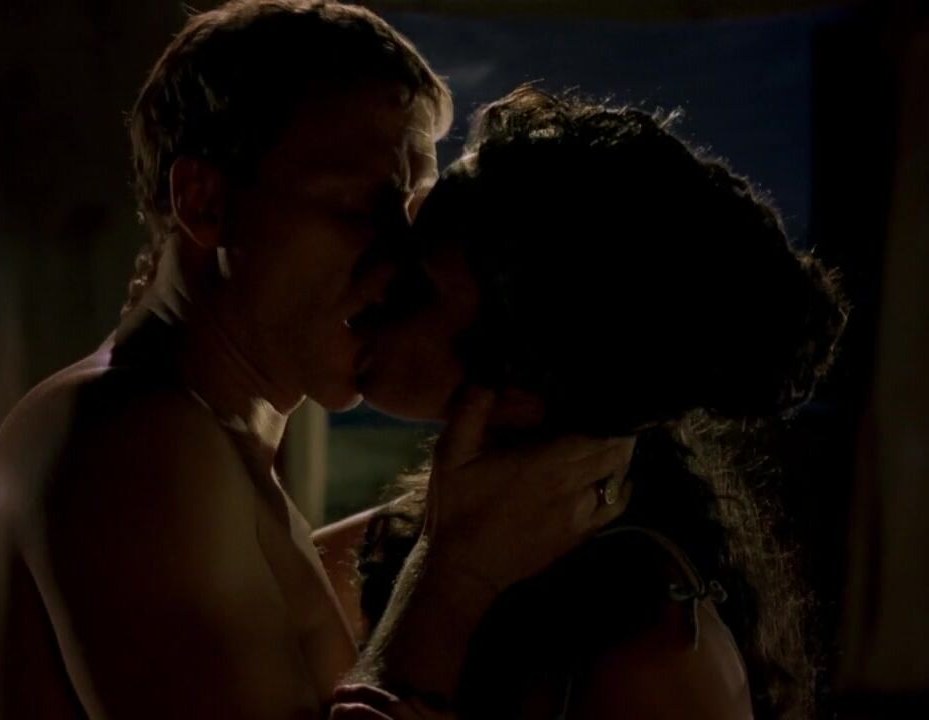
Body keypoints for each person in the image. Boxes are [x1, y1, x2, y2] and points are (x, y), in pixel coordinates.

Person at [0, 4, 633, 718]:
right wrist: (457, 576)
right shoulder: (133, 439)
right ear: (206, 202)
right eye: (358, 209)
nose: (400, 262)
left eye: (408, 216)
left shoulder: (209, 445)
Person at [317, 86, 848, 719]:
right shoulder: (406, 540)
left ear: (519, 387)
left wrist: (448, 579)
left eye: (418, 283)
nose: (378, 277)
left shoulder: (654, 662)